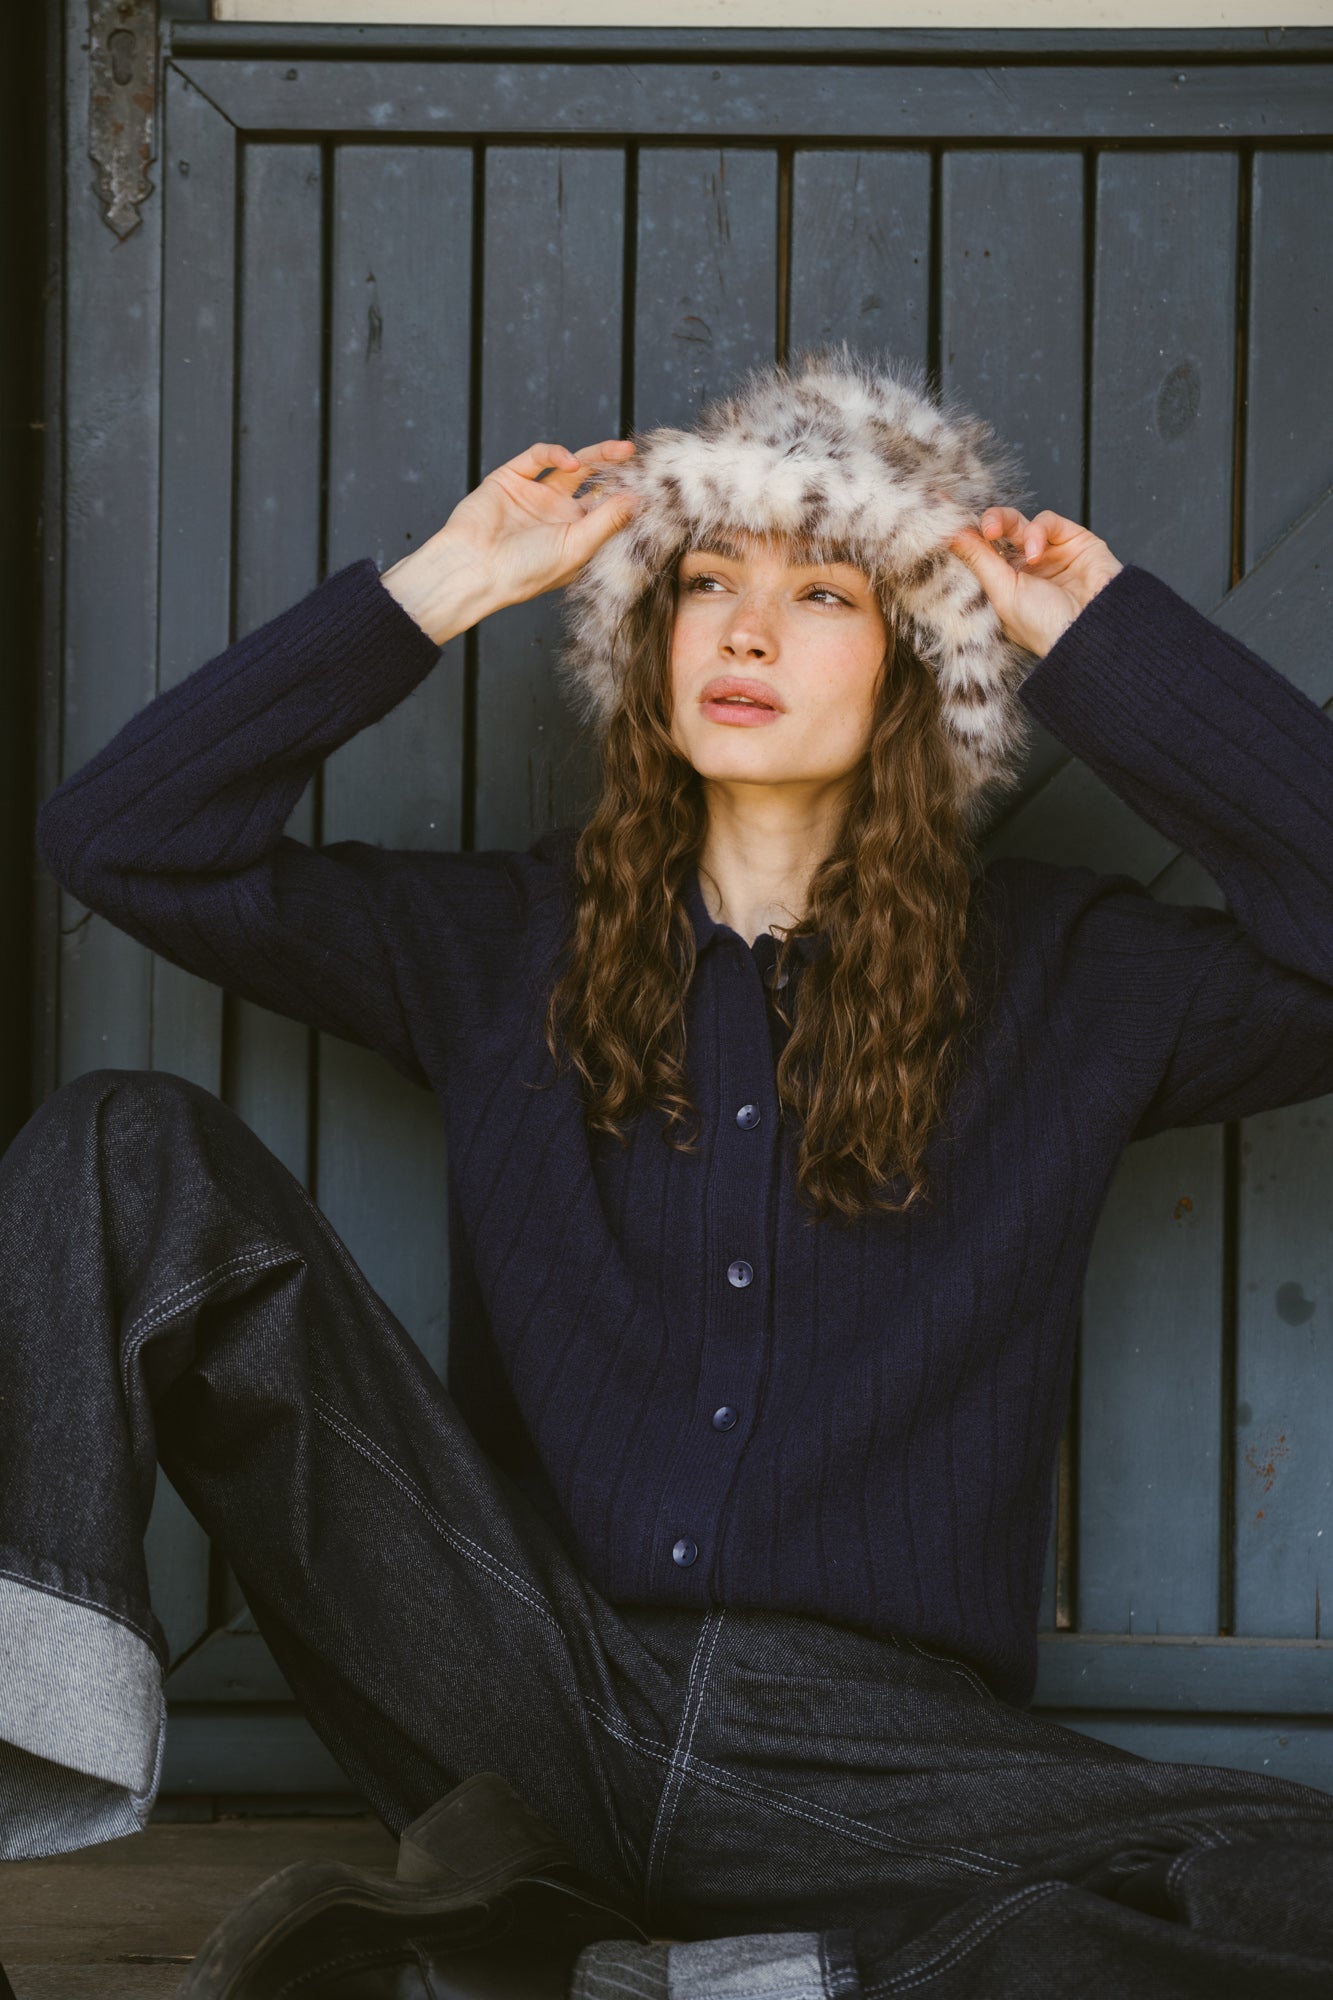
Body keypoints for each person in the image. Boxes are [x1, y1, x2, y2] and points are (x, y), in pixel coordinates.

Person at [4, 350, 1333, 1999]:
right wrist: (446, 584)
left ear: (920, 668)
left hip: (865, 1771)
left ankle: (680, 1976)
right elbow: (121, 838)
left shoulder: (1072, 980)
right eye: (707, 583)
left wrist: (1110, 648)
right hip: (506, 1679)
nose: (747, 630)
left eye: (822, 595)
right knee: (122, 1143)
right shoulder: (502, 946)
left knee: (1296, 1880)